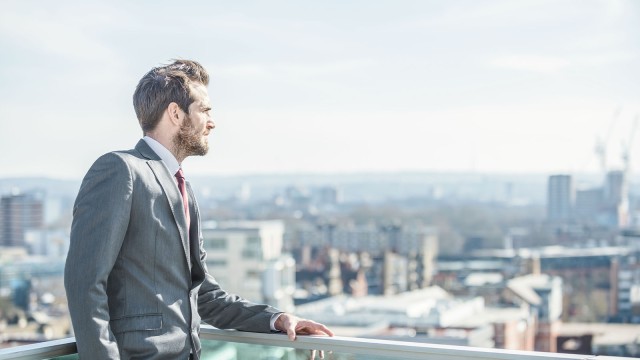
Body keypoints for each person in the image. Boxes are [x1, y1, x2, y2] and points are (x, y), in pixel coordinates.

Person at [64, 59, 333, 359]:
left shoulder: (184, 190)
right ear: (176, 113)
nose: (212, 121)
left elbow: (204, 295)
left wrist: (278, 319)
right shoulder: (120, 170)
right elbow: (84, 284)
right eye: (205, 110)